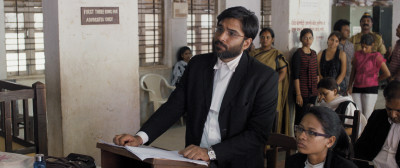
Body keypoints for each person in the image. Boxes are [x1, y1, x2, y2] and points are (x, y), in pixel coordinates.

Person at [113, 6, 278, 168]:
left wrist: (211, 152)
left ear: (246, 43)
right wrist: (140, 137)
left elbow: (257, 134)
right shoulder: (197, 65)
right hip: (195, 162)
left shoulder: (263, 77)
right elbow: (173, 107)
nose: (221, 37)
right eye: (220, 29)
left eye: (231, 33)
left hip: (238, 162)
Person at [285, 106, 357, 168]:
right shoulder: (292, 162)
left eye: (311, 132)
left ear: (330, 141)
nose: (301, 136)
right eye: (300, 129)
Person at [250, 27, 290, 134]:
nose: (265, 39)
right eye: (262, 37)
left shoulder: (277, 54)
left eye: (268, 37)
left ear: (272, 39)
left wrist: (272, 83)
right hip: (257, 88)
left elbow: (283, 72)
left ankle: (273, 142)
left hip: (273, 88)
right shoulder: (253, 54)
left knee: (273, 114)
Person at [354, 80, 400, 168]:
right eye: (389, 109)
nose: (393, 115)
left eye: (398, 110)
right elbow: (360, 147)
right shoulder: (378, 116)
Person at [348, 33, 391, 120]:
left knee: (367, 115)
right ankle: (358, 133)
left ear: (372, 45)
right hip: (357, 87)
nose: (363, 49)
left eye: (366, 47)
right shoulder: (357, 54)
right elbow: (353, 71)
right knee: (357, 114)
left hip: (370, 88)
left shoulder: (376, 56)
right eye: (362, 46)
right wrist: (350, 85)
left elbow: (387, 73)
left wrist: (376, 79)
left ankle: (366, 133)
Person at [292, 28, 319, 125]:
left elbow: (316, 74)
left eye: (310, 38)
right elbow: (296, 76)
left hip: (313, 93)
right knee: (300, 117)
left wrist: (318, 90)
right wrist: (298, 94)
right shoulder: (298, 54)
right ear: (301, 39)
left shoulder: (314, 53)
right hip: (302, 93)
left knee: (311, 117)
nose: (308, 41)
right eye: (305, 38)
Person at [334, 19, 354, 94]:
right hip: (336, 80)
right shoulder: (334, 45)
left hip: (348, 80)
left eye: (349, 30)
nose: (348, 32)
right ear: (339, 31)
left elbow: (352, 62)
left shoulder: (351, 46)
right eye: (346, 30)